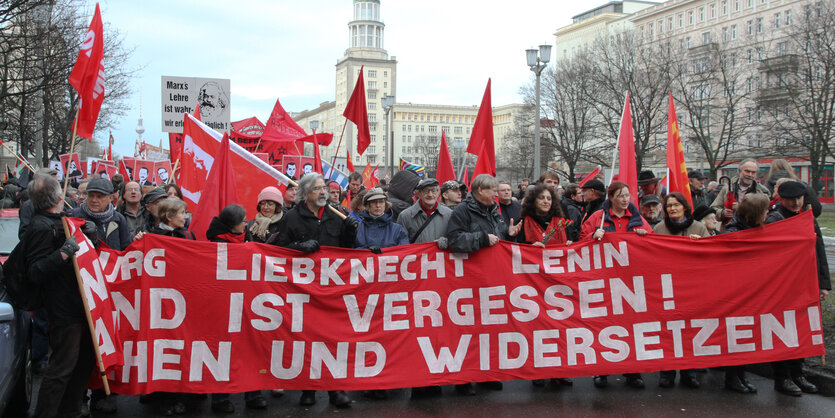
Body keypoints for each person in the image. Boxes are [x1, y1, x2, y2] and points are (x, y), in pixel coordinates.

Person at [275, 173, 357, 408]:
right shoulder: (291, 218)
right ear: (304, 193)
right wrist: (298, 247)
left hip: (331, 290)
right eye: (316, 189)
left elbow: (347, 249)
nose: (323, 192)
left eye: (324, 188)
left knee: (333, 340)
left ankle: (336, 390)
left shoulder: (336, 215)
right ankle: (308, 389)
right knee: (307, 341)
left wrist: (350, 230)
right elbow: (279, 250)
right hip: (304, 290)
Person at [445, 174, 521, 395]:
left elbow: (498, 239)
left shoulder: (493, 209)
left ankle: (486, 375)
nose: (496, 194)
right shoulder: (462, 211)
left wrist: (508, 235)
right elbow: (455, 240)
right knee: (467, 331)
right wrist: (481, 238)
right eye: (492, 191)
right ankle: (464, 379)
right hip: (468, 280)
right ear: (479, 191)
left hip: (491, 280)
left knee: (489, 330)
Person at [24, 174, 90, 418]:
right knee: (61, 368)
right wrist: (63, 254)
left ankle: (69, 411)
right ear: (58, 196)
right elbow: (35, 272)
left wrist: (88, 232)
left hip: (76, 305)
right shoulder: (40, 227)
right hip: (63, 309)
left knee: (82, 364)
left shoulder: (56, 220)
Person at [578, 181, 651, 390]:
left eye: (628, 195)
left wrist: (644, 238)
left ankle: (632, 371)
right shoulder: (597, 219)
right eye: (621, 196)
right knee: (604, 326)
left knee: (631, 326)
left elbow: (653, 244)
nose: (626, 199)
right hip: (604, 281)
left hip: (630, 282)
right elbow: (581, 242)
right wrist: (593, 237)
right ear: (611, 198)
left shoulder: (637, 219)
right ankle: (601, 371)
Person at [764, 181, 831, 397]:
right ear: (781, 199)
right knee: (784, 331)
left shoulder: (807, 216)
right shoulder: (775, 219)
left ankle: (798, 373)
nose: (795, 203)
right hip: (783, 286)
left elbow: (819, 249)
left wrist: (823, 284)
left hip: (805, 284)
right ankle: (782, 376)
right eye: (791, 199)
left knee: (801, 328)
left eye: (799, 199)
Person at [134, 197, 194, 415]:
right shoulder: (151, 236)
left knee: (180, 347)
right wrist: (139, 241)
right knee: (160, 347)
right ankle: (157, 391)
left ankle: (180, 396)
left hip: (182, 301)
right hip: (159, 301)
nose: (185, 218)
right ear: (168, 216)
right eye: (182, 214)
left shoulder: (188, 235)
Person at [206, 204, 267, 412]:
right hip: (224, 306)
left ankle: (254, 393)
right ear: (232, 225)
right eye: (242, 221)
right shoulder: (215, 243)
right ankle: (220, 398)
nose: (246, 223)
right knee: (223, 352)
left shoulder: (248, 238)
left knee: (251, 349)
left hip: (249, 303)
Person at [652, 192, 708, 389]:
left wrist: (701, 245)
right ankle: (666, 373)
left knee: (690, 331)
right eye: (668, 206)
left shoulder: (699, 228)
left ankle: (689, 372)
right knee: (668, 332)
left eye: (676, 205)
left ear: (685, 207)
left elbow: (711, 255)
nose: (672, 209)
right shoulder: (659, 229)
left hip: (692, 288)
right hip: (667, 288)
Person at [722, 193, 772, 395]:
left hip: (751, 291)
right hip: (737, 293)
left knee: (746, 336)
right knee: (737, 336)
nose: (768, 214)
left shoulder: (754, 229)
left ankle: (740, 376)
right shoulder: (735, 232)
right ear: (756, 214)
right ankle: (733, 377)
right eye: (765, 211)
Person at [711, 159, 770, 225]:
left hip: (752, 230)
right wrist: (722, 213)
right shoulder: (727, 188)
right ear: (739, 171)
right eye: (747, 171)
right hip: (730, 230)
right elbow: (713, 209)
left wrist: (740, 208)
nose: (750, 175)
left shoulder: (762, 191)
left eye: (753, 172)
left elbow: (766, 213)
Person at [397, 178, 452, 245]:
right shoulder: (405, 216)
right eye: (426, 191)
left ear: (438, 193)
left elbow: (455, 238)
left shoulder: (449, 214)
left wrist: (447, 241)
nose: (430, 194)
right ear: (419, 194)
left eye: (433, 191)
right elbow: (400, 245)